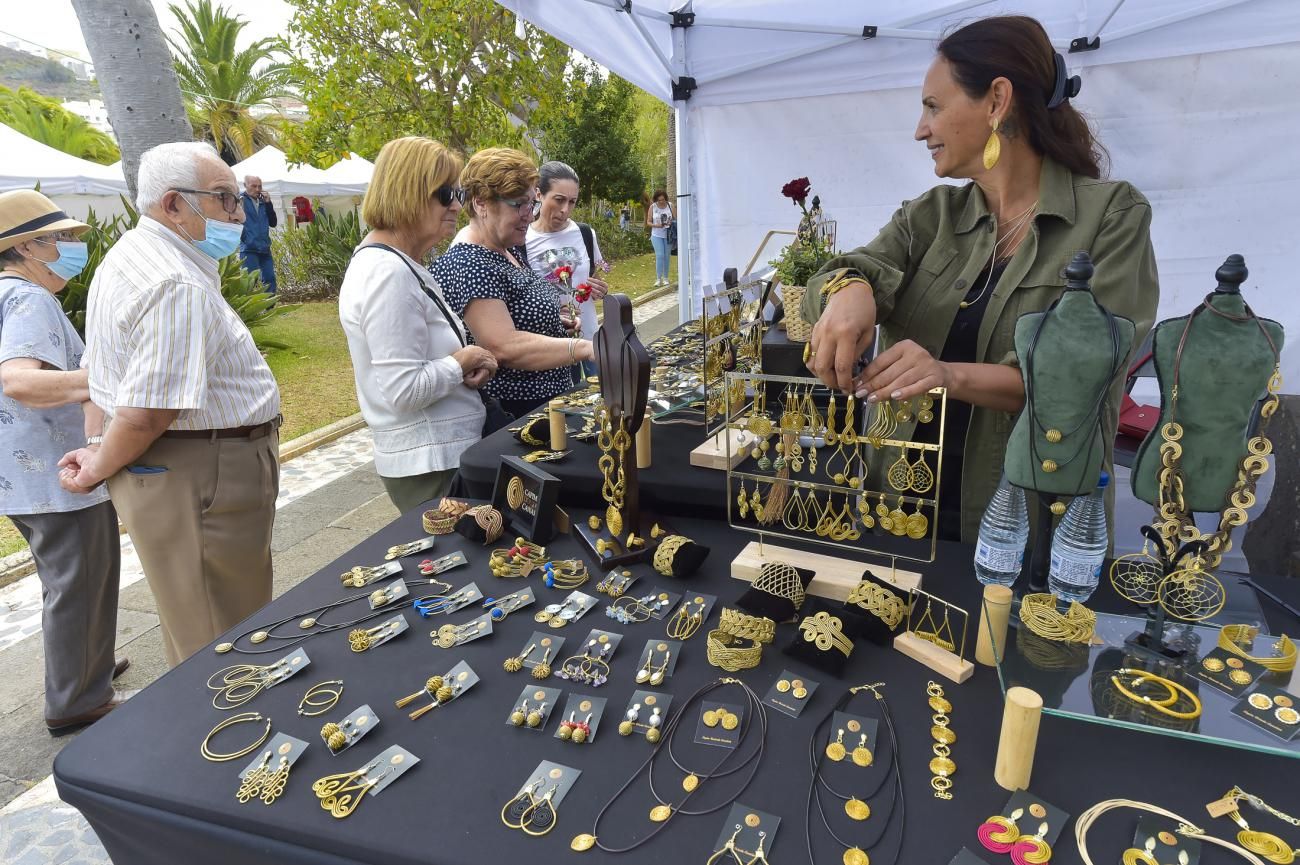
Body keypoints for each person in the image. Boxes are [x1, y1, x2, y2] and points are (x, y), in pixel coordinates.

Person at [803, 15, 1158, 542]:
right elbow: (842, 272)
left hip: (1028, 527)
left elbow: (1083, 372)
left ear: (996, 100)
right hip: (899, 512)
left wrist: (948, 375)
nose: (921, 129)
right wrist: (849, 291)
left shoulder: (1110, 216)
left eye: (933, 107)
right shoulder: (933, 215)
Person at [60, 141, 283, 667]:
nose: (237, 212)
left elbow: (106, 374)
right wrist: (96, 463)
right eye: (225, 199)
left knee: (197, 619)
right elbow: (146, 412)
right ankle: (239, 739)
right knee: (224, 636)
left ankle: (217, 727)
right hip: (201, 473)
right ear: (173, 204)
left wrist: (97, 447)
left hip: (189, 470)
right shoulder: (173, 280)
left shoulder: (138, 255)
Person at [0, 190, 133, 732]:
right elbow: (19, 380)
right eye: (62, 239)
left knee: (75, 580)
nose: (72, 247)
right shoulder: (29, 300)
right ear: (30, 246)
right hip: (56, 474)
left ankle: (89, 670)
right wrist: (113, 376)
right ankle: (77, 700)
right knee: (79, 583)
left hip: (22, 476)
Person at [339, 137, 498, 513]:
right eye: (446, 193)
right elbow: (404, 390)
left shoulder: (396, 263)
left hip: (439, 456)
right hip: (432, 464)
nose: (457, 205)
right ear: (409, 193)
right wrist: (462, 361)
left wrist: (461, 367)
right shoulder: (387, 273)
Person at [434, 147, 595, 418]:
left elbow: (519, 314)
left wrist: (554, 323)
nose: (529, 214)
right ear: (481, 203)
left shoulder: (509, 249)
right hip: (516, 417)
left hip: (547, 406)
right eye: (518, 204)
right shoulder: (469, 262)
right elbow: (503, 345)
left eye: (531, 203)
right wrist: (584, 347)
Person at [525, 161, 611, 380]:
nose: (565, 210)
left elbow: (591, 277)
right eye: (559, 199)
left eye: (572, 202)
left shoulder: (584, 233)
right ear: (538, 194)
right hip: (554, 347)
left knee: (602, 402)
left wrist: (599, 288)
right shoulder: (522, 240)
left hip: (590, 340)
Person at [239, 175, 278, 293]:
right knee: (250, 281)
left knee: (270, 279)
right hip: (249, 249)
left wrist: (269, 203)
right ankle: (248, 310)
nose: (257, 189)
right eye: (254, 186)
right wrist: (245, 238)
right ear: (245, 186)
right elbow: (234, 222)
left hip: (265, 248)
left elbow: (273, 223)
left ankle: (270, 309)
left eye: (259, 186)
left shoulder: (263, 201)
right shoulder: (240, 200)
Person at [646, 190, 674, 287]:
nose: (661, 202)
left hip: (668, 235)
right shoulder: (653, 207)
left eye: (663, 200)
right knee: (660, 255)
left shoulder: (670, 205)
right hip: (656, 235)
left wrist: (671, 223)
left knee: (666, 256)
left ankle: (665, 278)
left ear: (665, 198)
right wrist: (657, 225)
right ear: (656, 200)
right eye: (659, 200)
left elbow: (676, 218)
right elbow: (648, 222)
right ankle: (658, 279)